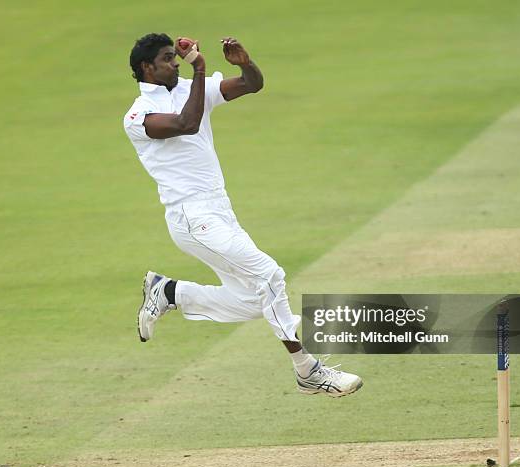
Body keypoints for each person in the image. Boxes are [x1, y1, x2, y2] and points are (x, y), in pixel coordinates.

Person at [123, 33, 362, 397]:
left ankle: (171, 292)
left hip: (219, 210)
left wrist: (244, 63)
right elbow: (186, 123)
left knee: (253, 301)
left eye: (176, 57)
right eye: (168, 58)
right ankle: (308, 370)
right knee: (270, 275)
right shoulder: (138, 115)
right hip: (191, 216)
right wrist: (201, 68)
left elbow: (252, 85)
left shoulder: (191, 87)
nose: (175, 63)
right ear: (146, 68)